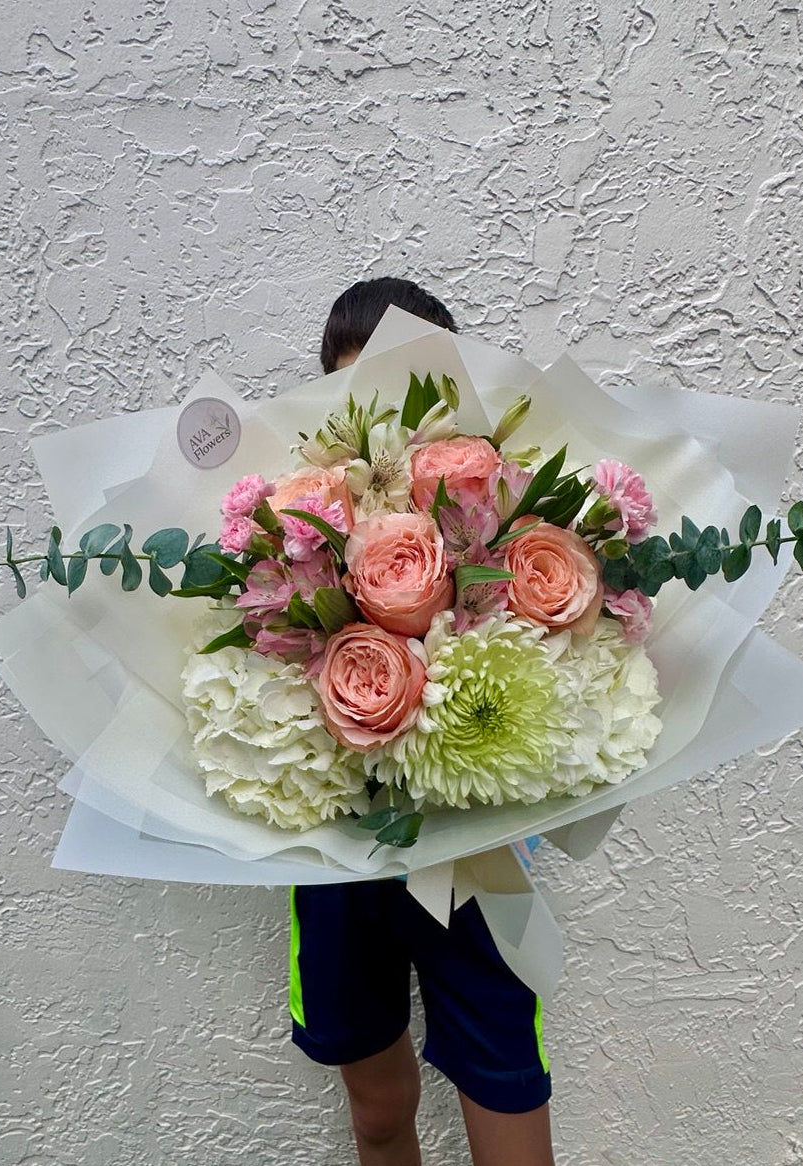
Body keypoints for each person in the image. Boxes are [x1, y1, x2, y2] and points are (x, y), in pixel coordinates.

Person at [288, 278, 556, 1166]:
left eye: (411, 386)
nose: (385, 417)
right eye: (355, 389)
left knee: (505, 1090)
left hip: (472, 855)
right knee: (374, 1111)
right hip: (339, 863)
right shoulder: (293, 520)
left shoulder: (509, 519)